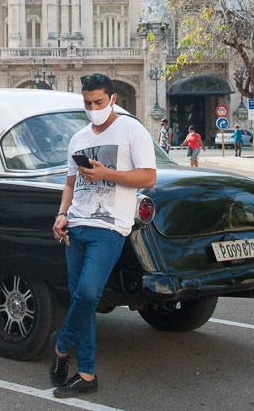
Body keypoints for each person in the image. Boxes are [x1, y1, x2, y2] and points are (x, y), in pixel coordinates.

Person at [50, 73, 157, 399]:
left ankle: (61, 348)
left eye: (98, 102)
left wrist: (106, 173)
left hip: (110, 227)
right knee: (80, 299)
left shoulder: (131, 129)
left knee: (87, 294)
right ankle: (86, 374)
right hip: (76, 225)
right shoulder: (78, 137)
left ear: (112, 99)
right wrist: (61, 214)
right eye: (87, 103)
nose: (92, 108)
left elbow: (149, 177)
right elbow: (70, 183)